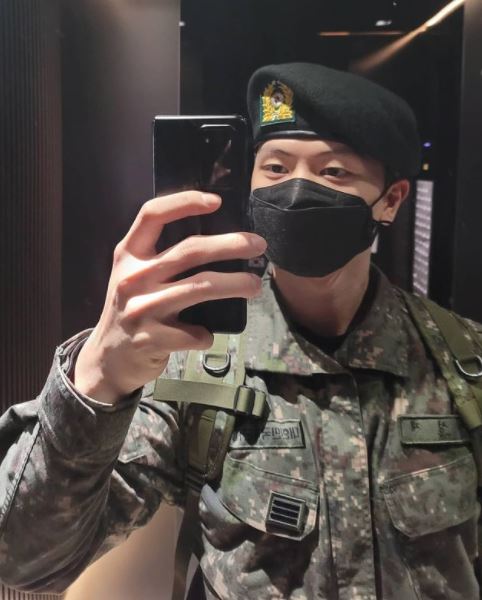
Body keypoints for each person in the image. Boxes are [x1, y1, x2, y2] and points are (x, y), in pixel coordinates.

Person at [0, 62, 481, 600]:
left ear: (391, 200)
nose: (296, 189)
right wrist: (97, 378)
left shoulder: (462, 362)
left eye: (333, 172)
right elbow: (25, 559)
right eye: (275, 167)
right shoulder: (194, 360)